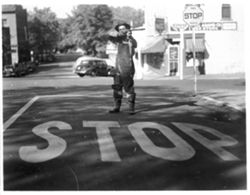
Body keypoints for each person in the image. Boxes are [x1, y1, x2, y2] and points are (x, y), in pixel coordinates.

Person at [108, 23, 137, 115]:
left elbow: (134, 46)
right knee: (117, 87)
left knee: (129, 88)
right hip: (118, 67)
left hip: (127, 67)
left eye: (124, 29)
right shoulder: (118, 40)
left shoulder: (131, 40)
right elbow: (109, 36)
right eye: (120, 29)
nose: (121, 30)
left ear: (128, 30)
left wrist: (129, 37)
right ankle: (117, 107)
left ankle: (131, 108)